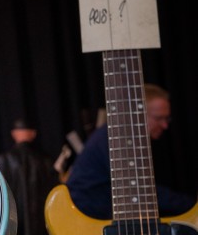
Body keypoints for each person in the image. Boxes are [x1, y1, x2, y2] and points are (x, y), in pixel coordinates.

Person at [66, 84, 195, 219]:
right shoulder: (117, 139)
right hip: (87, 218)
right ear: (137, 113)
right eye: (158, 118)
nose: (165, 125)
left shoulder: (120, 135)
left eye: (167, 118)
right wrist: (191, 206)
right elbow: (140, 190)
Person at [0, 118, 59, 235]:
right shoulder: (45, 160)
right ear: (33, 134)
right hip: (43, 225)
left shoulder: (2, 160)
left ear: (14, 134)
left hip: (14, 227)